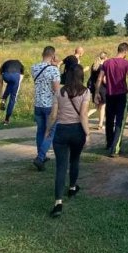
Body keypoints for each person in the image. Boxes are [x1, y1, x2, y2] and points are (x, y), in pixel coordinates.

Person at [47, 64, 91, 217]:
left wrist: (47, 130)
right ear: (80, 76)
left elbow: (53, 115)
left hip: (61, 131)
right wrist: (88, 133)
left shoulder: (59, 91)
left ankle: (58, 202)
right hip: (77, 130)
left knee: (60, 166)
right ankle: (72, 187)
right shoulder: (86, 92)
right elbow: (83, 115)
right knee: (75, 160)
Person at [96, 43, 128, 156]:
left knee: (109, 119)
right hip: (121, 94)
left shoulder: (107, 62)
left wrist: (97, 92)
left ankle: (109, 143)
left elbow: (99, 79)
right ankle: (114, 147)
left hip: (109, 94)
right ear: (125, 52)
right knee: (119, 121)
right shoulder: (126, 63)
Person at [31, 46, 61, 171]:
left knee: (40, 131)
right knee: (50, 132)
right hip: (50, 105)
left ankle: (41, 155)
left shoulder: (34, 67)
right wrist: (56, 66)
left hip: (38, 104)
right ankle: (40, 157)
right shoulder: (54, 70)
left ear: (42, 54)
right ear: (53, 56)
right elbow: (56, 89)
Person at [0, 58, 25, 126]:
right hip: (16, 76)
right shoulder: (21, 65)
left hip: (6, 75)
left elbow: (0, 81)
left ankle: (3, 100)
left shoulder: (4, 64)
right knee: (12, 99)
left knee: (10, 84)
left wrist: (0, 93)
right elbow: (20, 78)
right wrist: (16, 90)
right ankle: (6, 120)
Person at [88, 50, 108, 130]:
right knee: (102, 107)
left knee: (97, 107)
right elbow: (104, 80)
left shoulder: (94, 66)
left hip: (94, 88)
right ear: (105, 58)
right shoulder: (104, 67)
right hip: (102, 88)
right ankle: (100, 124)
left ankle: (86, 115)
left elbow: (92, 78)